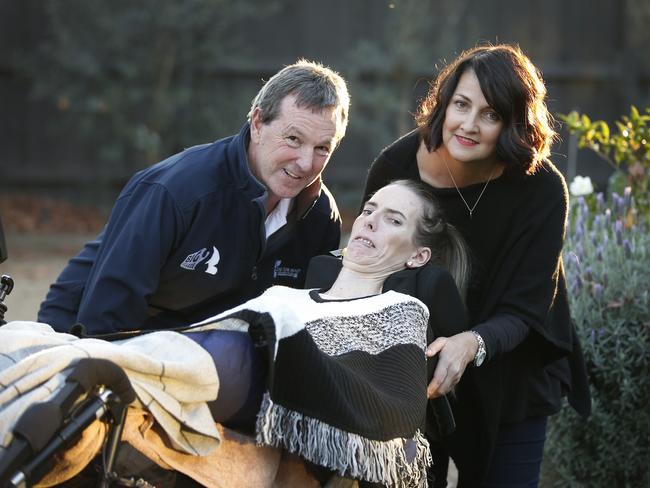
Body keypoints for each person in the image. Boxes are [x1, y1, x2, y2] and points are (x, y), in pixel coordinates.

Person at [360, 44, 591, 487]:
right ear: (443, 104)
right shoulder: (395, 167)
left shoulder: (540, 189)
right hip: (418, 372)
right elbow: (371, 270)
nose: (468, 124)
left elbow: (525, 309)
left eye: (490, 114)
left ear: (513, 124)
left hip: (512, 369)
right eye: (461, 105)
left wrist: (471, 342)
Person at [37, 59, 350, 335]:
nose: (306, 163)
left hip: (205, 351)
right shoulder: (179, 191)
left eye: (322, 147)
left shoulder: (320, 218)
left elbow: (303, 327)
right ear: (257, 123)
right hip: (85, 335)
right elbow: (106, 316)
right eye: (294, 139)